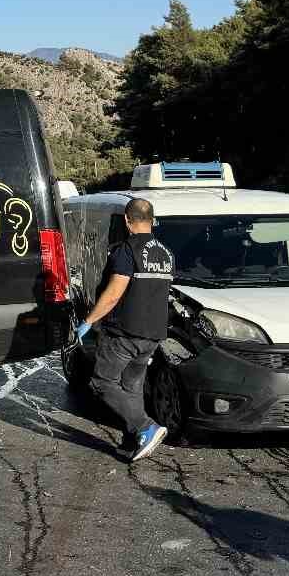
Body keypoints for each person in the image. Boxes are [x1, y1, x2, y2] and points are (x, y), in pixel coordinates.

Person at [74, 196, 175, 461]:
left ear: (128, 222)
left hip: (125, 334)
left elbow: (113, 294)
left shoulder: (126, 251)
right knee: (131, 388)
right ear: (152, 221)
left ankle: (145, 427)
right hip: (152, 335)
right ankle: (132, 441)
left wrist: (88, 321)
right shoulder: (166, 253)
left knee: (102, 383)